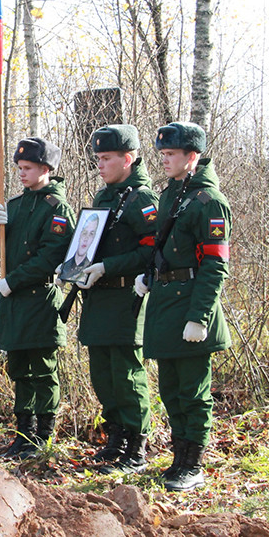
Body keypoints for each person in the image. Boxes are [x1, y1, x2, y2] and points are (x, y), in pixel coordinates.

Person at [133, 121, 231, 492]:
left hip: (191, 305)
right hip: (166, 304)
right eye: (162, 155)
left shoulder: (209, 202)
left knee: (193, 390)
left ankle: (194, 462)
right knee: (171, 389)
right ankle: (178, 457)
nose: (165, 161)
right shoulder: (171, 194)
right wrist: (150, 277)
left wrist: (199, 317)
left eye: (171, 154)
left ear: (193, 157)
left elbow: (215, 265)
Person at [74, 125, 159, 473]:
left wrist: (108, 265)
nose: (100, 164)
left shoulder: (143, 199)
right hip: (99, 297)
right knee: (103, 374)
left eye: (106, 158)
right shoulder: (104, 197)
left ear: (129, 158)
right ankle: (116, 437)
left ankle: (137, 446)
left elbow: (152, 250)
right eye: (97, 158)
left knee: (126, 374)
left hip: (127, 295)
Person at [0, 137, 75, 458]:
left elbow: (50, 256)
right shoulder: (15, 205)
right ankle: (22, 434)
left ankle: (43, 435)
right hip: (13, 302)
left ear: (46, 169)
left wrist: (14, 281)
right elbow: (1, 251)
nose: (21, 174)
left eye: (28, 168)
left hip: (39, 300)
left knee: (42, 370)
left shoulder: (57, 209)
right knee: (19, 368)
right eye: (19, 168)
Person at [59, 212, 100, 283]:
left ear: (94, 238)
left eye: (91, 234)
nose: (86, 238)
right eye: (84, 232)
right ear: (79, 234)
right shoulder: (65, 266)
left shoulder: (91, 267)